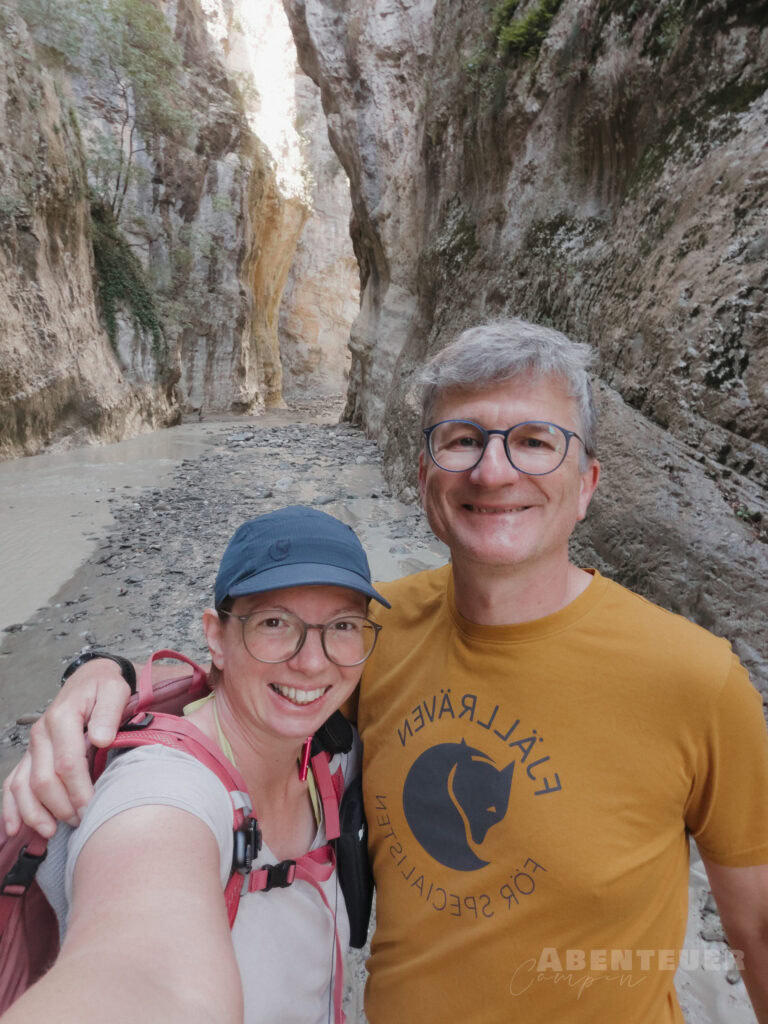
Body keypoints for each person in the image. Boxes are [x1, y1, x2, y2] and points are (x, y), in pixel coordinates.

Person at [4, 319, 768, 1023]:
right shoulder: (375, 636)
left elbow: (758, 927)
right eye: (462, 439)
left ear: (588, 484)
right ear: (426, 476)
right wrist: (103, 676)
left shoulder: (696, 680)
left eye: (535, 441)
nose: (493, 470)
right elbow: (239, 694)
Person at [1, 505, 390, 1024]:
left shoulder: (335, 750)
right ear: (216, 637)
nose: (313, 661)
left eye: (341, 625)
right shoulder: (160, 785)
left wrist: (102, 666)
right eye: (275, 622)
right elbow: (142, 969)